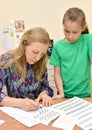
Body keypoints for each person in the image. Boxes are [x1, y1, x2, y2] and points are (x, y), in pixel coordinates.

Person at [0, 27, 53, 111]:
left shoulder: (41, 61)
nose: (38, 58)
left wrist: (45, 93)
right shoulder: (7, 60)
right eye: (35, 52)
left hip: (38, 111)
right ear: (25, 44)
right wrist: (20, 103)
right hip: (16, 113)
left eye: (42, 54)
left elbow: (46, 87)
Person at [50, 7, 92, 98]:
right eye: (66, 31)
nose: (70, 36)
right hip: (65, 95)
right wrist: (61, 93)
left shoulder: (89, 40)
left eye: (75, 32)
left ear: (83, 27)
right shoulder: (58, 46)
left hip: (86, 95)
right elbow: (57, 74)